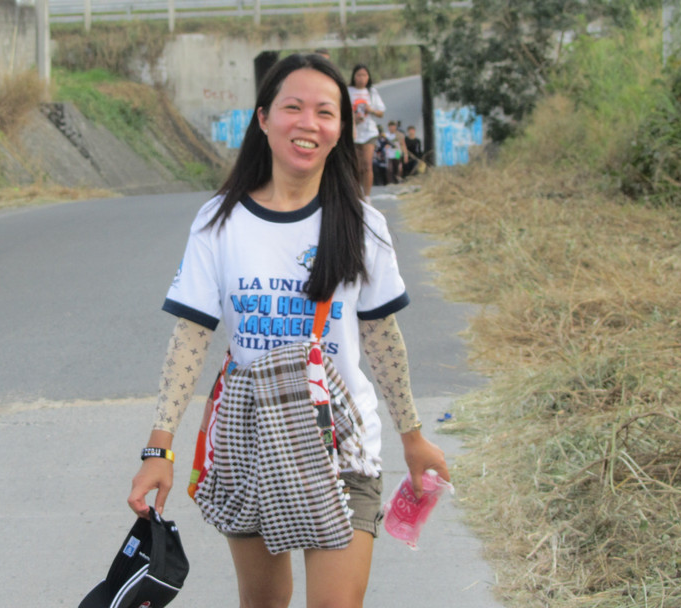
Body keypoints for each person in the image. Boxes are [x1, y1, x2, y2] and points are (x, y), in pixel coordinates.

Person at [127, 53, 449, 608]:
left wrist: (412, 436)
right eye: (293, 108)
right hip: (250, 442)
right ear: (263, 119)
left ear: (341, 128)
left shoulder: (364, 225)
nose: (308, 124)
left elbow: (381, 338)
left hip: (342, 445)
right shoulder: (219, 221)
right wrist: (159, 448)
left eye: (325, 112)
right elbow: (190, 339)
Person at [347, 64, 385, 200]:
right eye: (359, 75)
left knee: (367, 165)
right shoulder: (348, 91)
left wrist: (371, 110)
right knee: (355, 165)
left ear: (368, 77)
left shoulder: (371, 92)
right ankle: (356, 195)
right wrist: (353, 118)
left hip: (369, 132)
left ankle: (367, 196)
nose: (361, 78)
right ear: (354, 76)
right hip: (353, 132)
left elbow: (381, 113)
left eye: (364, 75)